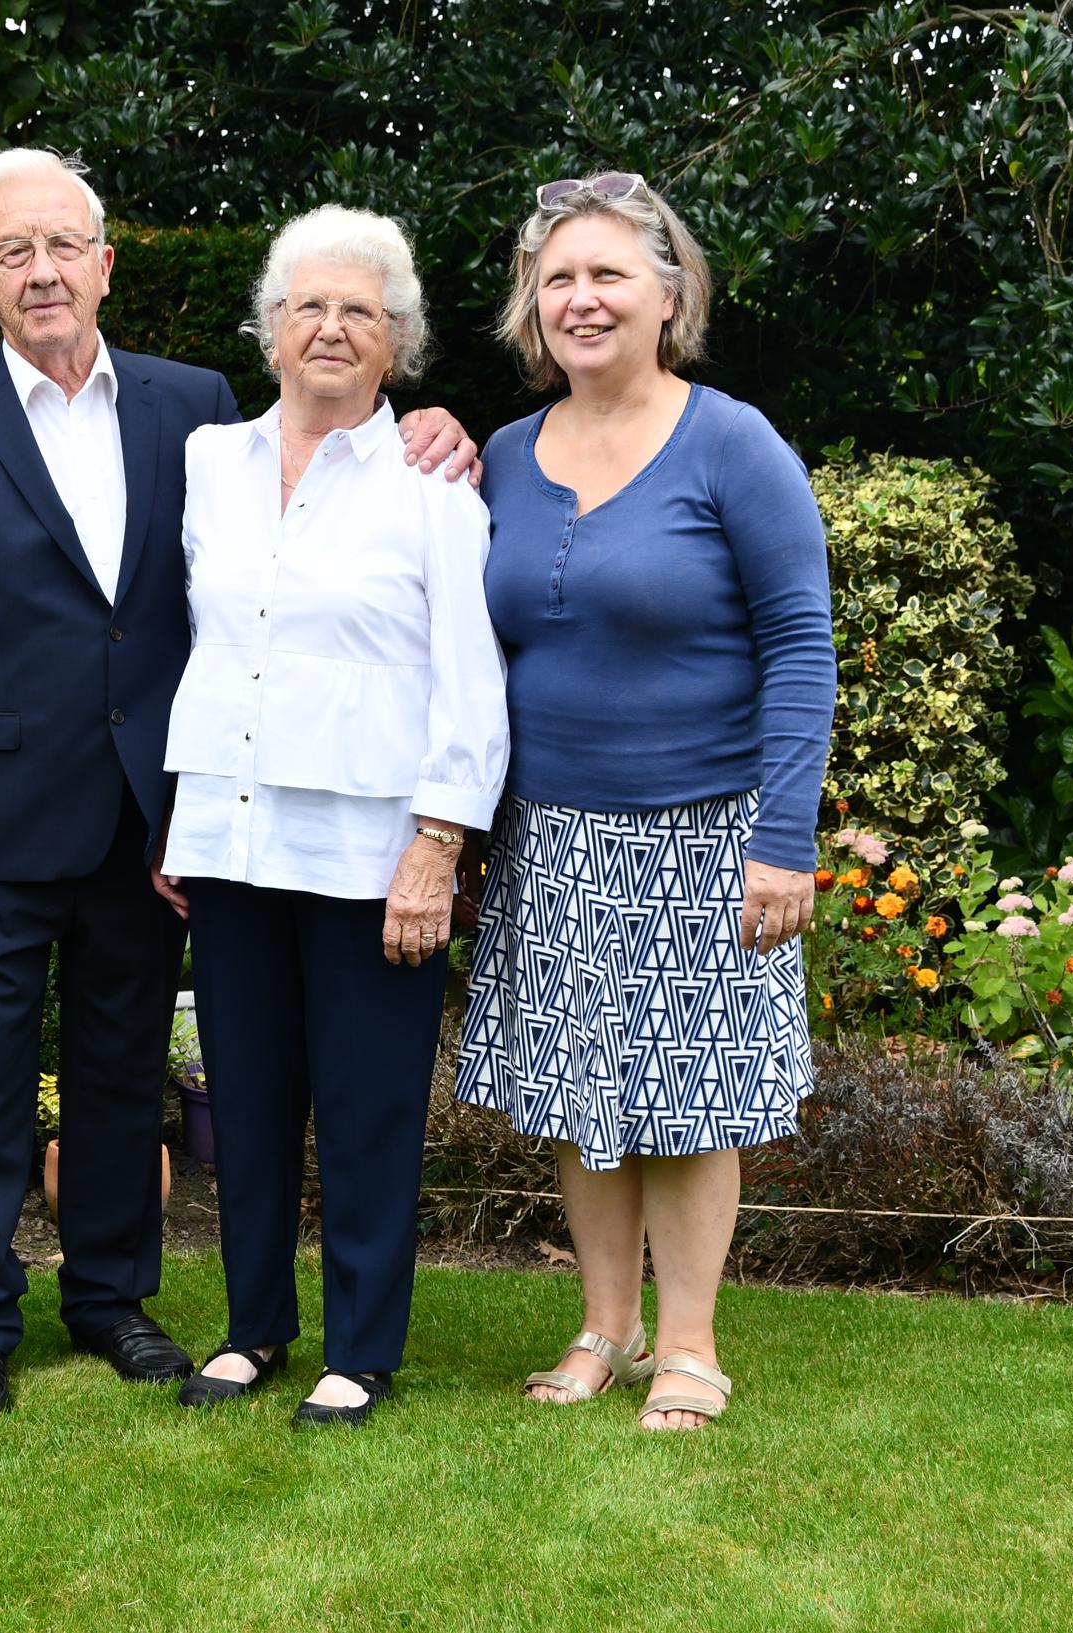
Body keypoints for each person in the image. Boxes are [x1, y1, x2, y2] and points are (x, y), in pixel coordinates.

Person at [0, 150, 480, 1419]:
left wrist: (440, 424)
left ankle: (109, 1298)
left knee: (119, 1071)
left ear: (104, 263)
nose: (43, 272)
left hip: (153, 829)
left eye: (64, 246)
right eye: (13, 252)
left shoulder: (188, 412)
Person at [452, 172, 836, 1430]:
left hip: (705, 828)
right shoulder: (504, 456)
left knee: (683, 1100)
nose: (581, 299)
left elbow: (800, 643)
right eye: (557, 278)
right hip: (551, 832)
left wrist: (785, 838)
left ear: (668, 294)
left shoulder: (731, 442)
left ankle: (690, 1345)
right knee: (580, 1094)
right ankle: (601, 1329)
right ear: (530, 307)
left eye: (609, 274)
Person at [152, 207, 508, 1428]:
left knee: (365, 1113)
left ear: (395, 344)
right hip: (232, 838)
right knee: (243, 1102)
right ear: (269, 330)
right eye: (308, 305)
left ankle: (360, 1348)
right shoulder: (208, 464)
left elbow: (471, 684)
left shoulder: (432, 489)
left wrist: (437, 844)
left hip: (374, 858)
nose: (331, 328)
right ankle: (253, 1328)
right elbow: (198, 647)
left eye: (360, 311)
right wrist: (179, 815)